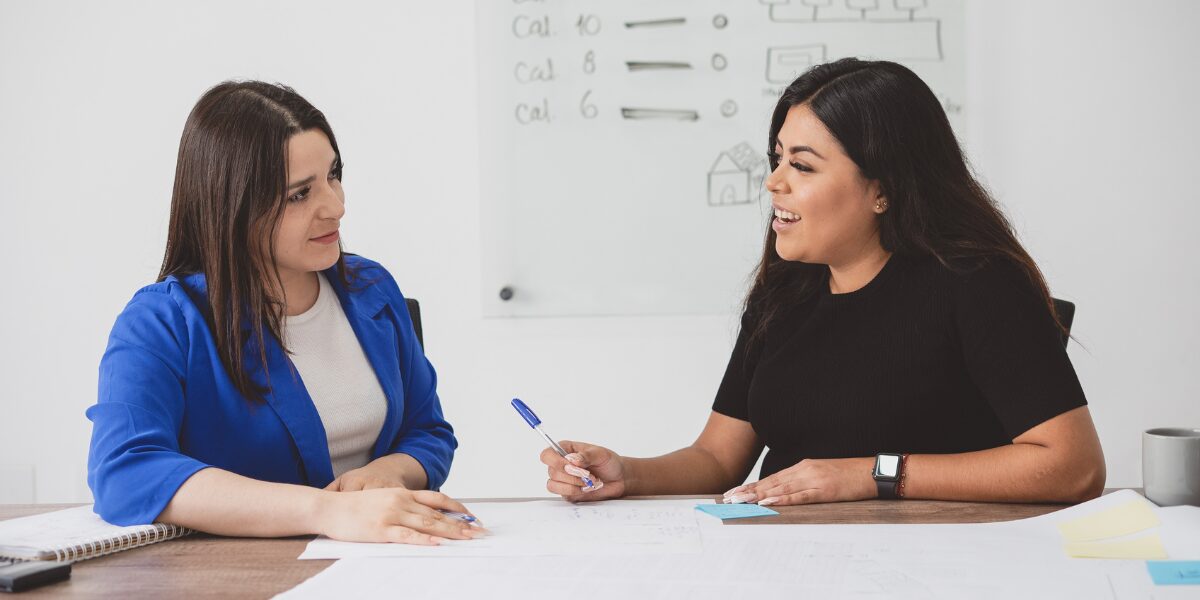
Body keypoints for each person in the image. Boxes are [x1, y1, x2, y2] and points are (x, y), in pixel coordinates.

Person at [540, 58, 1106, 506]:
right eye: (777, 157)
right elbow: (718, 459)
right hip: (787, 558)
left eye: (802, 166)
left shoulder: (978, 284)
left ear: (883, 189)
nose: (772, 182)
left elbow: (1073, 466)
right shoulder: (785, 292)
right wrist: (627, 474)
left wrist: (870, 475)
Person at [87, 81, 482, 545]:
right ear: (233, 205)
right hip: (238, 579)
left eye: (334, 175)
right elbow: (125, 471)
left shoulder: (372, 288)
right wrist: (327, 511)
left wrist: (387, 473)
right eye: (300, 194)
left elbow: (428, 430)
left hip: (378, 567)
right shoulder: (162, 322)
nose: (335, 206)